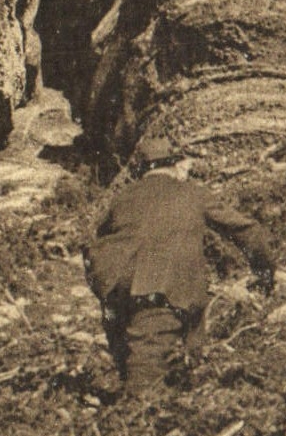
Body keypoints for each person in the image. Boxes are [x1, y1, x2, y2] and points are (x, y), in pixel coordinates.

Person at [84, 136, 274, 398]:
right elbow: (245, 230)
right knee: (146, 382)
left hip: (119, 292)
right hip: (162, 292)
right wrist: (265, 272)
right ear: (177, 166)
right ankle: (140, 425)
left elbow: (96, 243)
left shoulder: (122, 198)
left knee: (151, 363)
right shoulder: (193, 194)